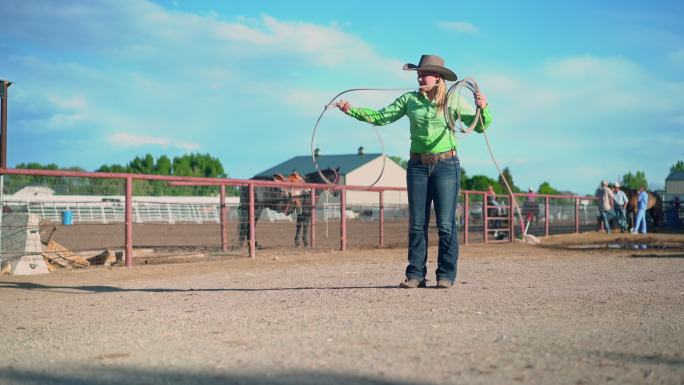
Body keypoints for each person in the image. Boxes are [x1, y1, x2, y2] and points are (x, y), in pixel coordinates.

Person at [335, 54, 492, 288]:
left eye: (424, 73)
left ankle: (446, 275)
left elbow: (480, 126)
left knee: (446, 224)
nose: (419, 77)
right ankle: (415, 274)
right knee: (417, 223)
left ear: (437, 77)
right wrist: (352, 111)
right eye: (418, 74)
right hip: (417, 166)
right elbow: (381, 117)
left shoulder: (454, 101)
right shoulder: (409, 100)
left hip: (446, 166)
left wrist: (484, 107)